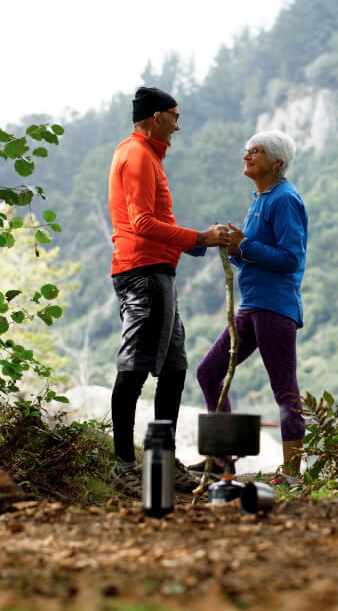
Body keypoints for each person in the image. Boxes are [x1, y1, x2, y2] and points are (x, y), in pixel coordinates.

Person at [108, 86, 230, 496]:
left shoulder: (148, 156)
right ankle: (123, 465)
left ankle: (160, 461)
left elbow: (156, 220)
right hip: (142, 272)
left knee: (174, 367)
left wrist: (196, 244)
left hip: (159, 273)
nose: (178, 125)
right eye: (175, 117)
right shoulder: (138, 155)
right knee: (136, 365)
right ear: (156, 117)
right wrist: (199, 237)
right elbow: (141, 223)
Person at [191, 130, 308, 478]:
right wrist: (235, 248)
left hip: (276, 306)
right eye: (247, 150)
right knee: (209, 372)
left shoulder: (285, 198)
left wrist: (244, 248)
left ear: (276, 162)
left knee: (284, 387)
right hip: (252, 305)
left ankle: (292, 473)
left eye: (255, 152)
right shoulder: (259, 199)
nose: (247, 156)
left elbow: (290, 258)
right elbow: (254, 256)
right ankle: (223, 457)